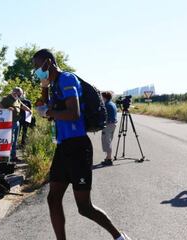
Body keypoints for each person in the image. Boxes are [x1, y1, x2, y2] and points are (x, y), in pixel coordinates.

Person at [32, 49, 131, 240]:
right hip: (63, 148)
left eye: (38, 66)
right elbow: (45, 107)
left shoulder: (67, 79)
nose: (36, 70)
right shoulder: (53, 85)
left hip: (78, 148)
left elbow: (74, 113)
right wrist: (44, 88)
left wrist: (49, 113)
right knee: (53, 199)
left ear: (49, 63)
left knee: (84, 208)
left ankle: (119, 237)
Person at [0, 87, 31, 162]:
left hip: (17, 122)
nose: (20, 96)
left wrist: (29, 110)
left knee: (15, 141)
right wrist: (7, 110)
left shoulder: (17, 99)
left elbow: (22, 106)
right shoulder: (6, 98)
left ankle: (13, 157)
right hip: (9, 123)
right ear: (14, 93)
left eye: (21, 95)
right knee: (10, 140)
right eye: (19, 94)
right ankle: (7, 158)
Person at [101, 91, 118, 166]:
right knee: (109, 141)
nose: (101, 98)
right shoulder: (113, 103)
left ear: (104, 97)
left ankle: (109, 159)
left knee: (107, 142)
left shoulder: (106, 105)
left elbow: (103, 116)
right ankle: (108, 157)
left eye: (101, 97)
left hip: (108, 125)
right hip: (113, 124)